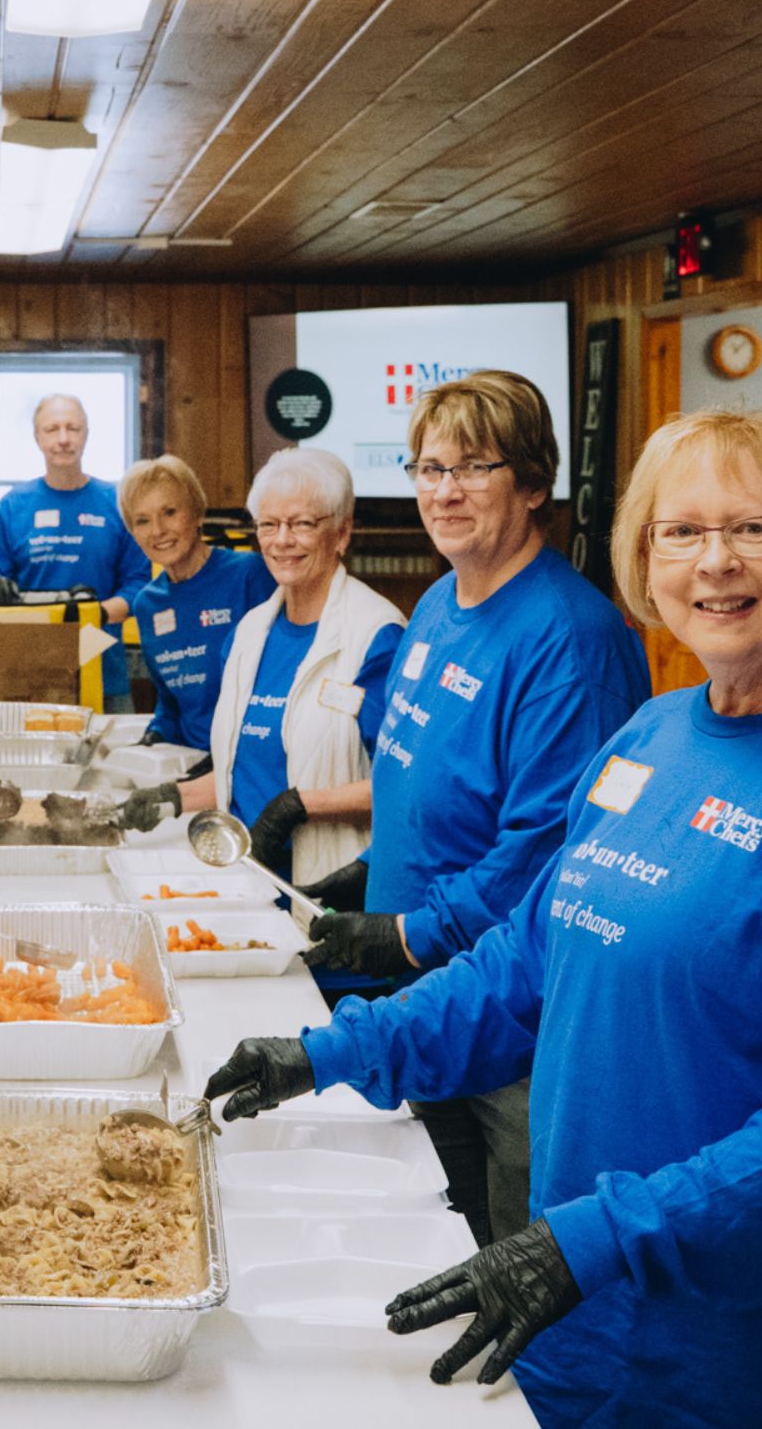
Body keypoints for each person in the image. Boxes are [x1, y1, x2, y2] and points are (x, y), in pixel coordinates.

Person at [204, 409, 762, 1428]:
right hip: (569, 1307)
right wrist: (329, 1049)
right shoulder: (652, 733)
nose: (714, 563)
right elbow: (526, 963)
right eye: (680, 531)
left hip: (724, 1349)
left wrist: (598, 1235)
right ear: (642, 554)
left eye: (754, 528)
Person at [298, 370, 649, 1242]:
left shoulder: (571, 640)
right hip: (425, 995)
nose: (443, 490)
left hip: (510, 1022)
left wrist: (414, 928)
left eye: (472, 467)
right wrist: (372, 877)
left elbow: (550, 850)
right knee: (428, 1222)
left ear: (532, 486)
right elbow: (422, 788)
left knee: (506, 1252)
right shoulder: (437, 605)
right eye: (426, 467)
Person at [188, 447, 403, 890]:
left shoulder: (375, 636)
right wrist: (171, 797)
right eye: (269, 524)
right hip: (244, 884)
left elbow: (406, 785)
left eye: (302, 523)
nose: (282, 540)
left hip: (325, 889)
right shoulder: (249, 634)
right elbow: (240, 767)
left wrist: (302, 806)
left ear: (342, 534)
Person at [0, 394, 152, 709]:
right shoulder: (14, 505)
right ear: (37, 438)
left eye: (73, 428)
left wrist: (94, 613)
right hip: (28, 672)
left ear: (87, 434)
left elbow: (138, 584)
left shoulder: (116, 502)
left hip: (103, 672)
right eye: (52, 429)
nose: (64, 439)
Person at [121, 454, 275, 754]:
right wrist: (156, 734)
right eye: (142, 520)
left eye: (169, 512)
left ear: (196, 514)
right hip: (191, 761)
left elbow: (278, 682)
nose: (157, 530)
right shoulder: (147, 605)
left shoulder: (249, 575)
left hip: (252, 759)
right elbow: (170, 702)